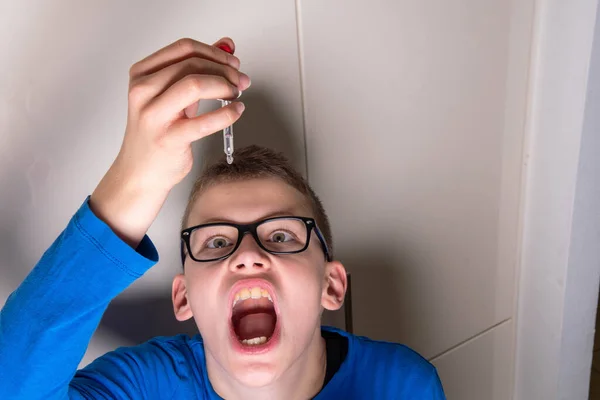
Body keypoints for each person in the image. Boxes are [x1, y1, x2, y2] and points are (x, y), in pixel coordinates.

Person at [0, 37, 445, 399]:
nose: (248, 255)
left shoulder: (403, 385)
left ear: (331, 285)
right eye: (215, 241)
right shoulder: (141, 388)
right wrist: (132, 183)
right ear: (184, 297)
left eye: (282, 235)